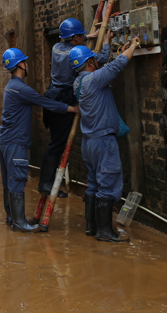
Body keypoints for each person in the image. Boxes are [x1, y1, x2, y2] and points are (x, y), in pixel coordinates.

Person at [0, 48, 79, 232]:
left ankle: (12, 217)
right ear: (20, 64)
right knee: (17, 180)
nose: (27, 65)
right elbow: (47, 103)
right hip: (15, 142)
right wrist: (71, 109)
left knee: (9, 181)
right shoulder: (21, 88)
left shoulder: (11, 86)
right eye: (25, 62)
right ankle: (19, 223)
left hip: (5, 141)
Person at [69, 36, 140, 243]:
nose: (97, 61)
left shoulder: (78, 82)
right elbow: (117, 65)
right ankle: (105, 232)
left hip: (88, 142)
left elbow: (107, 66)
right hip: (103, 142)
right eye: (94, 60)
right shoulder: (94, 79)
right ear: (90, 63)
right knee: (107, 185)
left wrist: (110, 44)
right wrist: (133, 46)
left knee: (93, 185)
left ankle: (92, 228)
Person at [38, 18, 112, 201]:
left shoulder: (57, 47)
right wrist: (107, 42)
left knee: (54, 142)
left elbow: (75, 44)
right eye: (81, 36)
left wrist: (89, 36)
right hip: (63, 99)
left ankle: (46, 182)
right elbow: (99, 59)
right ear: (76, 38)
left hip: (52, 96)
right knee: (57, 144)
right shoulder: (73, 55)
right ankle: (46, 184)